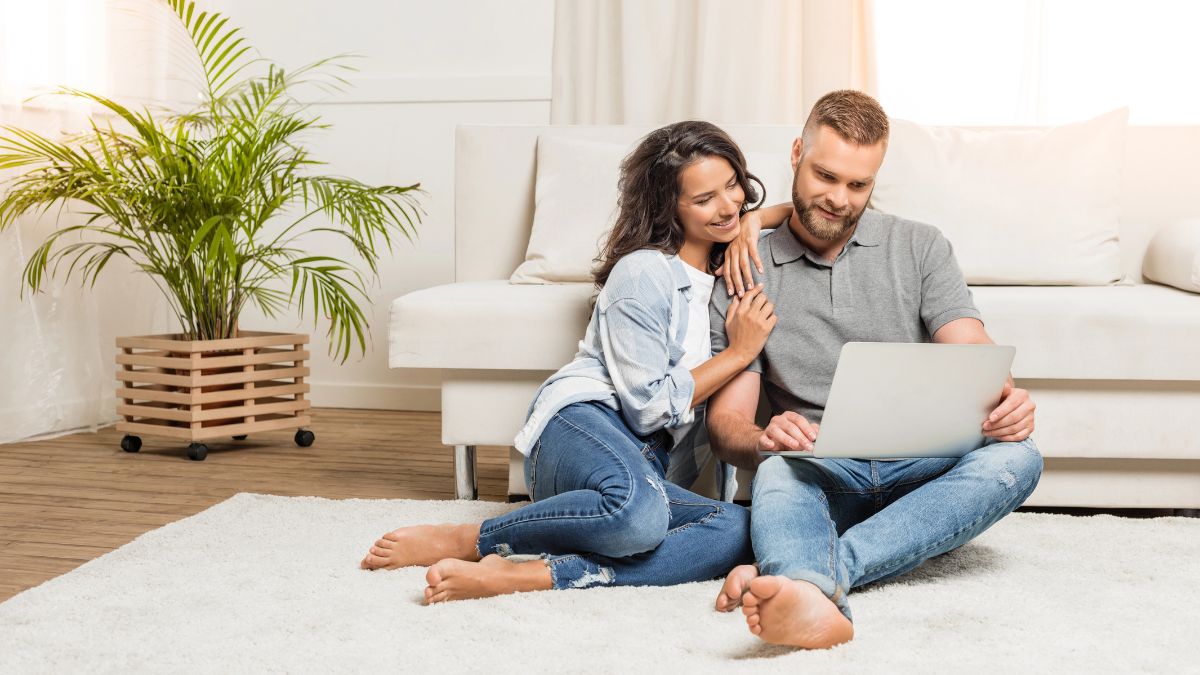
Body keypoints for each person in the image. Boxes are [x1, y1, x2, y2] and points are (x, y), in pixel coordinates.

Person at [361, 120, 792, 602]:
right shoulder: (644, 271)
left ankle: (533, 575)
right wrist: (739, 352)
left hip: (647, 473)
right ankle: (472, 539)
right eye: (704, 198)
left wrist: (758, 219)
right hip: (585, 426)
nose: (729, 205)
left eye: (733, 185)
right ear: (669, 206)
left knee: (741, 530)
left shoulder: (735, 269)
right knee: (637, 513)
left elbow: (815, 214)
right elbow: (647, 409)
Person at [705, 90, 1043, 648]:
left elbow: (973, 349)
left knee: (1018, 458)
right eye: (825, 175)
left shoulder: (920, 246)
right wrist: (766, 437)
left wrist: (1004, 397)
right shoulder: (747, 268)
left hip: (924, 466)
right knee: (776, 472)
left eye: (858, 185)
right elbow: (727, 425)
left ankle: (815, 580)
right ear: (796, 153)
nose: (838, 198)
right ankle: (811, 583)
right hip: (820, 467)